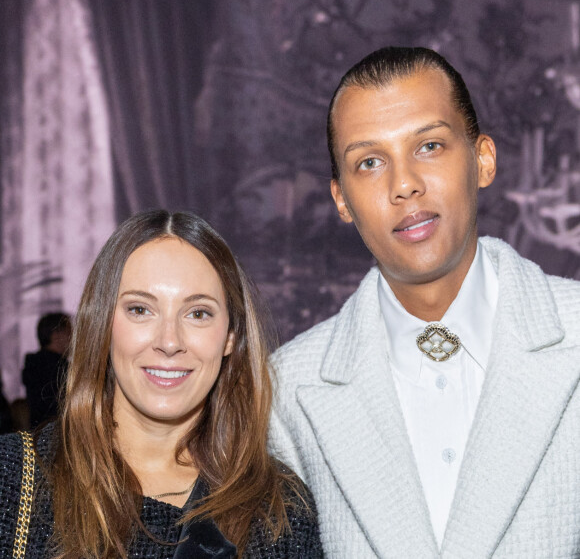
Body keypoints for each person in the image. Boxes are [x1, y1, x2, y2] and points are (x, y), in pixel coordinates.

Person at [269, 46, 580, 558]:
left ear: (483, 160)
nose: (404, 184)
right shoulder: (288, 392)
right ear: (341, 199)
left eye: (429, 146)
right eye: (369, 162)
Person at [0, 211, 322, 558]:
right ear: (103, 325)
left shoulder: (280, 512)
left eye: (198, 313)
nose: (169, 341)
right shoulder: (12, 479)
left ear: (231, 337)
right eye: (140, 310)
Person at [22, 312, 72, 428]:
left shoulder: (34, 365)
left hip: (39, 433)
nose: (73, 337)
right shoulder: (59, 368)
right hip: (58, 433)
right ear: (56, 335)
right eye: (69, 331)